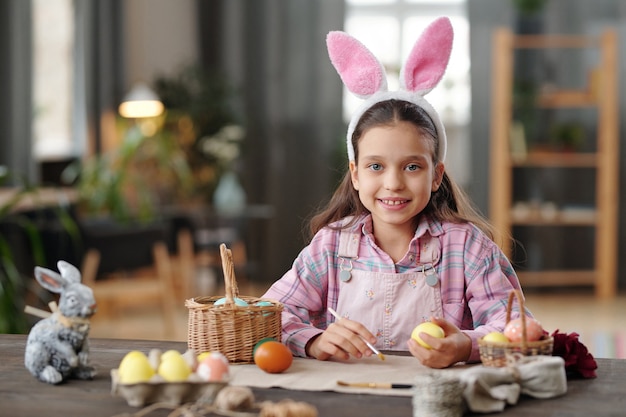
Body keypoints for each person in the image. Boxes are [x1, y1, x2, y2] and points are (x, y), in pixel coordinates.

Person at [262, 17, 527, 369]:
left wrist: (466, 346)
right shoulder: (329, 247)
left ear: (436, 175)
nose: (393, 184)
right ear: (355, 174)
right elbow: (267, 316)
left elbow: (516, 328)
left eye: (412, 167)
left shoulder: (468, 248)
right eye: (375, 167)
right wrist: (313, 341)